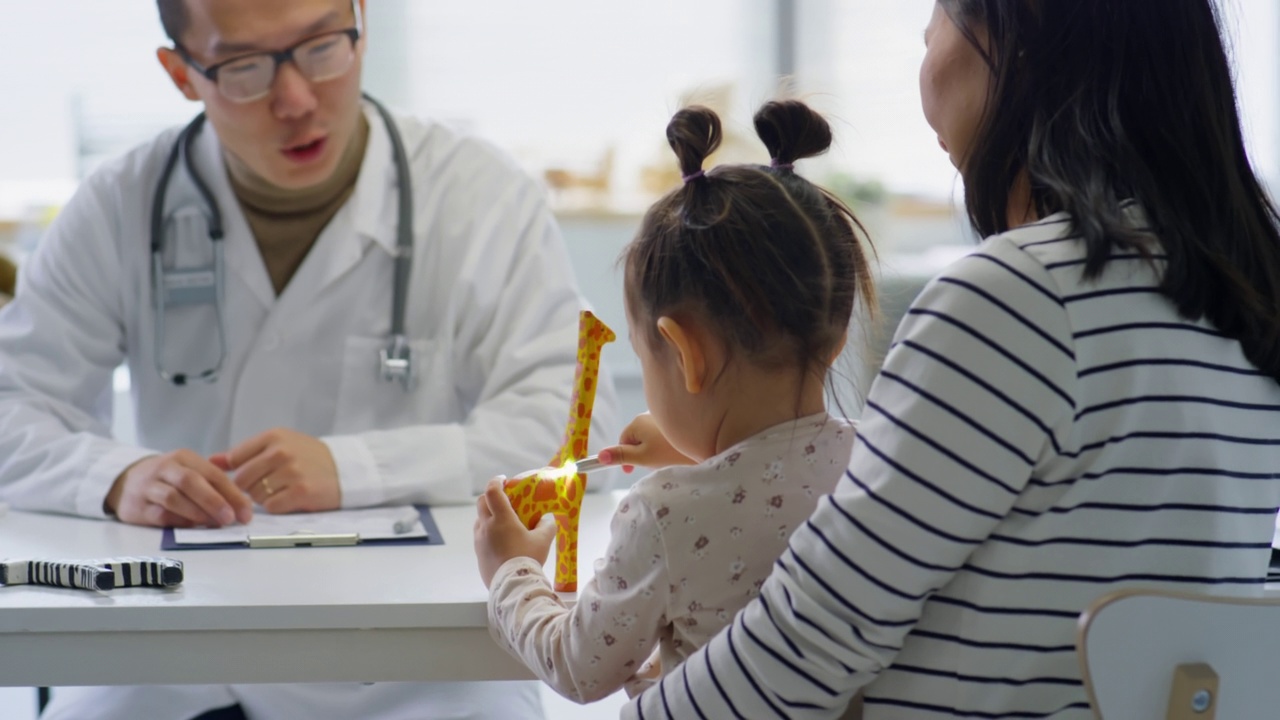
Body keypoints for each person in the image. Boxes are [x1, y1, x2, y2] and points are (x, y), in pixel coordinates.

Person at [624, 0, 1280, 718]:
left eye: (935, 19)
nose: (925, 52)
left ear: (1019, 39)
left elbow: (814, 635)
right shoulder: (1240, 297)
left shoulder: (1018, 300)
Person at [0, 0, 617, 718]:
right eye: (244, 68)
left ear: (362, 24)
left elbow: (577, 434)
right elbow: (12, 405)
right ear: (180, 72)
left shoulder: (480, 197)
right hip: (173, 656)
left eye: (323, 46)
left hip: (421, 668)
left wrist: (357, 468)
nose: (295, 100)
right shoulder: (120, 205)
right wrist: (115, 476)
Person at [473, 100, 875, 707]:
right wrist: (697, 454)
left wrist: (510, 573)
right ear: (838, 332)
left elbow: (579, 666)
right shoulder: (874, 465)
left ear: (683, 355)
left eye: (642, 353)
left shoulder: (664, 516)